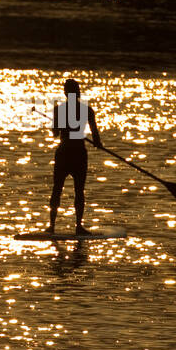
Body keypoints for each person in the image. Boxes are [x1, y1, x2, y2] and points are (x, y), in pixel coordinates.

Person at [47, 78, 102, 235]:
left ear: (65, 93)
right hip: (79, 153)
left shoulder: (59, 110)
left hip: (64, 153)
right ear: (78, 93)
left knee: (57, 189)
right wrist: (98, 144)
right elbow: (96, 139)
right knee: (79, 190)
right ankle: (78, 226)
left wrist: (57, 125)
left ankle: (51, 226)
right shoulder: (88, 111)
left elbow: (55, 133)